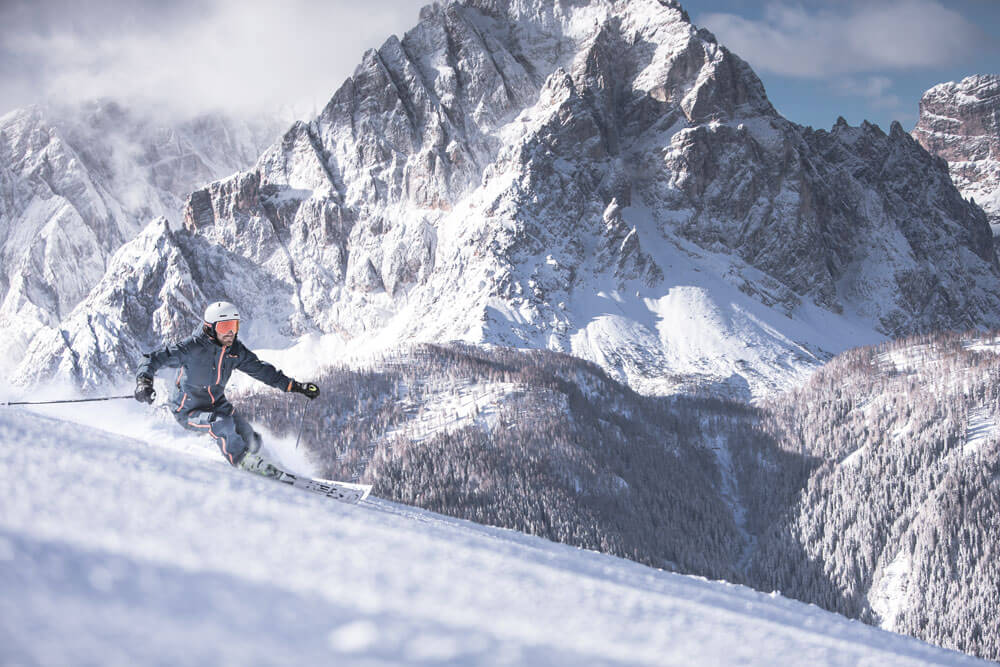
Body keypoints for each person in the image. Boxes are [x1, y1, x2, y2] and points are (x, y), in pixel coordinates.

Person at [133, 301, 320, 476]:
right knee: (221, 423)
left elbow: (262, 370)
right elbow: (153, 358)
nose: (231, 332)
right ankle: (243, 462)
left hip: (218, 404)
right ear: (210, 328)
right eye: (225, 327)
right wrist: (144, 382)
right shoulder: (191, 348)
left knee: (248, 435)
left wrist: (295, 386)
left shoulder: (234, 351)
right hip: (188, 410)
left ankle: (273, 466)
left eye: (234, 326)